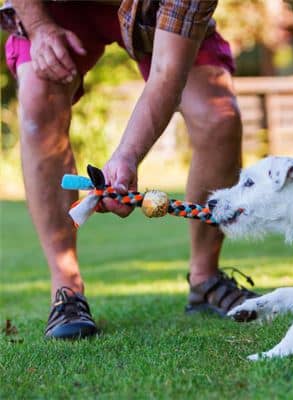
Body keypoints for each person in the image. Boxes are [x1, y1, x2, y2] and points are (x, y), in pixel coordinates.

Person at [2, 0, 257, 339]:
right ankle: (66, 288)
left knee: (218, 117)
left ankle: (204, 279)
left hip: (152, 11)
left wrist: (126, 158)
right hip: (54, 6)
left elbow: (168, 71)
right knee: (37, 100)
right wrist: (40, 27)